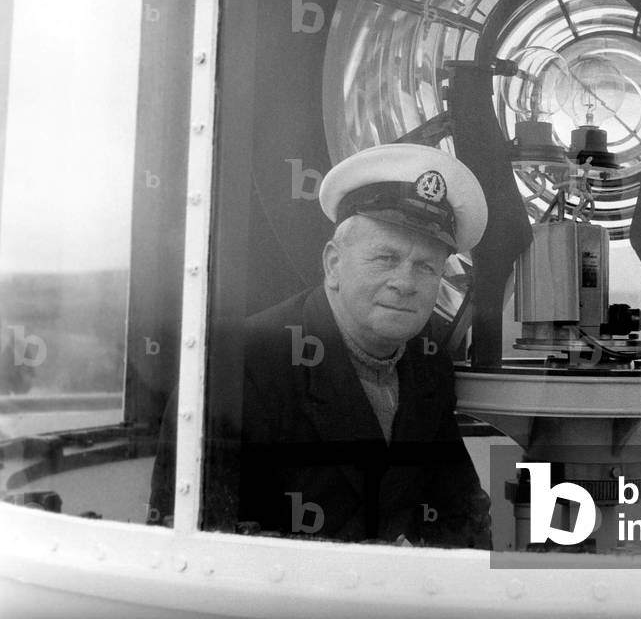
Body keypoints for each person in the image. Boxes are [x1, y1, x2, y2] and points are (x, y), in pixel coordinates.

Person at [151, 144, 491, 547]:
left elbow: (461, 511)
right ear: (333, 264)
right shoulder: (239, 365)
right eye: (385, 258)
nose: (405, 282)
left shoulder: (427, 365)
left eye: (425, 267)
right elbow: (196, 538)